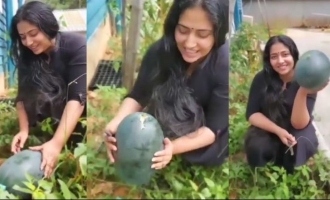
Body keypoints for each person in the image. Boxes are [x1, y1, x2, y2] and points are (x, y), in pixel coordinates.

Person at [104, 0, 229, 170]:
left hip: (206, 134)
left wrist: (171, 149)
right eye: (183, 31)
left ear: (217, 34)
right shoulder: (159, 52)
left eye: (202, 34)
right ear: (173, 25)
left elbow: (214, 129)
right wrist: (116, 123)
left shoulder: (223, 64)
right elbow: (138, 95)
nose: (189, 43)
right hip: (172, 118)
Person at [9, 1, 87, 178]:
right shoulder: (28, 56)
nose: (28, 42)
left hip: (78, 118)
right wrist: (23, 130)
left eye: (33, 34)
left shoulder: (77, 46)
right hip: (52, 119)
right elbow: (22, 96)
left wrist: (57, 144)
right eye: (22, 37)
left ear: (48, 26)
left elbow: (78, 98)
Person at [244, 35, 327, 173]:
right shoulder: (262, 78)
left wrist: (303, 91)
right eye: (274, 56)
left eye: (285, 54)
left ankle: (290, 176)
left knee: (299, 146)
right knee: (258, 147)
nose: (280, 61)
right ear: (268, 59)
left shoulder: (308, 77)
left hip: (298, 129)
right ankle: (262, 174)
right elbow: (252, 114)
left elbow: (298, 124)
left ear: (294, 55)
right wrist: (278, 131)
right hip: (270, 126)